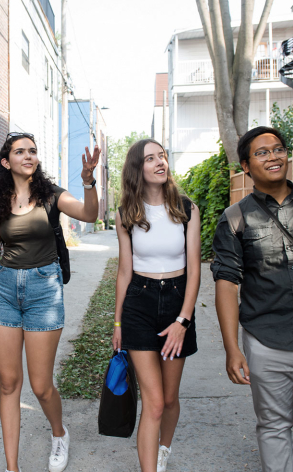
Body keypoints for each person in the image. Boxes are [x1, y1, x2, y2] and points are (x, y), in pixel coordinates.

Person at [0, 132, 100, 472]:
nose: (28, 156)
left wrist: (89, 182)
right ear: (5, 161)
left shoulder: (51, 195)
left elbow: (89, 213)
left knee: (42, 386)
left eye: (32, 151)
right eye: (20, 151)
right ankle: (12, 467)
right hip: (4, 290)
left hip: (44, 290)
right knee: (9, 383)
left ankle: (59, 432)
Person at [211, 126, 293, 472]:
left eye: (277, 149)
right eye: (262, 152)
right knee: (274, 424)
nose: (273, 156)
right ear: (246, 166)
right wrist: (232, 349)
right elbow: (227, 284)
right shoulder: (234, 218)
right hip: (266, 336)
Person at [113, 139, 201, 472]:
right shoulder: (126, 214)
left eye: (162, 156)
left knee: (168, 399)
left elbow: (195, 269)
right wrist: (118, 322)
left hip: (178, 301)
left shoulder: (186, 208)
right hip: (139, 302)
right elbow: (124, 271)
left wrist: (183, 320)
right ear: (138, 169)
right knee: (152, 403)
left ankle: (164, 448)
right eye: (150, 159)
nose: (159, 162)